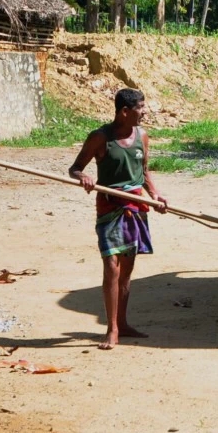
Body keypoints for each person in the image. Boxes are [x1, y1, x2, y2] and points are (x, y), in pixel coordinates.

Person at [70, 88, 167, 349]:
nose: (145, 112)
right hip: (109, 209)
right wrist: (85, 178)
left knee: (126, 271)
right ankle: (111, 329)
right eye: (141, 108)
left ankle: (122, 323)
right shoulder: (100, 138)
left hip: (136, 207)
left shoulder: (142, 137)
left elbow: (144, 170)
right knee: (111, 268)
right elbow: (75, 168)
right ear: (125, 111)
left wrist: (155, 195)